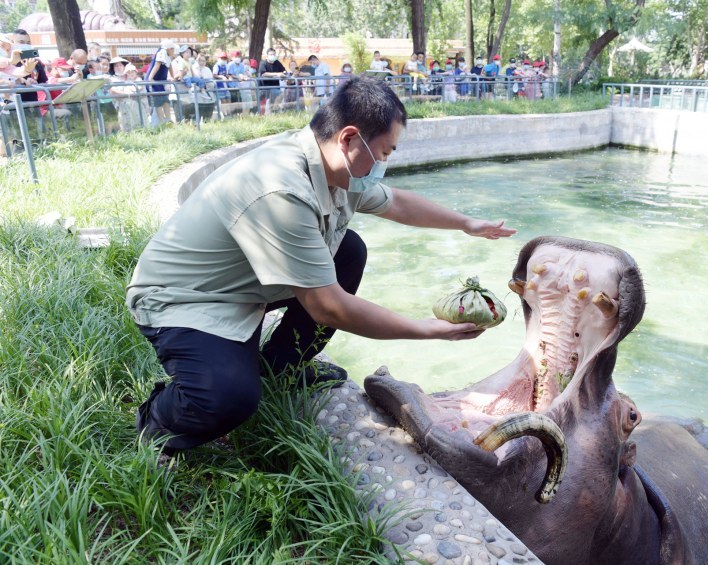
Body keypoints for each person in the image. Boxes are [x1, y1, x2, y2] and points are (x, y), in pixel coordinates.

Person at [127, 77, 516, 455]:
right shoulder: (283, 188)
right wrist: (429, 331)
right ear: (349, 138)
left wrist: (468, 224)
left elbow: (397, 203)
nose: (384, 164)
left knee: (349, 250)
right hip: (189, 300)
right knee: (229, 397)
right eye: (384, 153)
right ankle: (157, 422)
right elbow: (328, 306)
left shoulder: (336, 170)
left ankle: (279, 368)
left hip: (244, 285)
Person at [144, 39, 176, 126]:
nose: (174, 51)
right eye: (173, 49)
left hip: (160, 81)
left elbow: (170, 66)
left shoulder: (167, 55)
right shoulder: (162, 52)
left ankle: (168, 119)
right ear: (169, 48)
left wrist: (172, 77)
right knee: (158, 102)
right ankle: (162, 122)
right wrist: (150, 78)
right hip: (154, 81)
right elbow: (157, 65)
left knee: (165, 100)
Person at [257, 47, 285, 115]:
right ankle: (267, 113)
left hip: (275, 86)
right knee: (263, 104)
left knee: (279, 95)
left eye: (274, 54)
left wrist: (284, 73)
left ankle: (273, 111)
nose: (272, 56)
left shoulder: (277, 63)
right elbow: (263, 73)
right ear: (267, 56)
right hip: (265, 87)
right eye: (271, 54)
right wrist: (277, 74)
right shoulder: (263, 63)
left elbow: (283, 70)